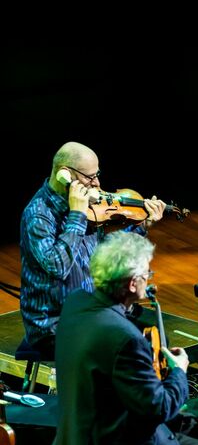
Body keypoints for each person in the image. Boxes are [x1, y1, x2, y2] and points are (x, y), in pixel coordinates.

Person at [47, 231, 198, 445]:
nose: (149, 279)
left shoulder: (75, 304)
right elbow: (159, 407)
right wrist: (179, 371)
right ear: (133, 283)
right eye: (147, 274)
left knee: (192, 425)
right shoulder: (125, 339)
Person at [19, 141, 166, 359]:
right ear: (64, 175)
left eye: (97, 174)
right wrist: (76, 217)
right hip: (54, 326)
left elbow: (102, 255)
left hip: (90, 312)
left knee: (156, 338)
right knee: (131, 348)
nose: (97, 183)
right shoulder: (39, 215)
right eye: (89, 177)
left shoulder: (87, 206)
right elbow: (57, 267)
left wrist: (141, 226)